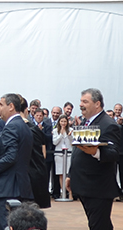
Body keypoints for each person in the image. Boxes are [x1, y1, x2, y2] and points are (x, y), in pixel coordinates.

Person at [67, 88, 121, 230]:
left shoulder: (109, 125)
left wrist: (96, 152)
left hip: (98, 188)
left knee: (99, 225)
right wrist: (70, 175)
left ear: (97, 104)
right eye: (80, 101)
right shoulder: (86, 122)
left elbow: (114, 153)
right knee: (98, 224)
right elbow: (77, 151)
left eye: (85, 101)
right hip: (85, 185)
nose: (81, 105)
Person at [0, 93, 34, 230]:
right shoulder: (23, 126)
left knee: (6, 226)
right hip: (18, 184)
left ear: (11, 106)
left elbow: (11, 156)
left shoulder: (11, 127)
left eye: (0, 105)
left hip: (9, 189)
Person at [25, 103, 52, 209]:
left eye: (41, 116)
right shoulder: (29, 125)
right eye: (37, 115)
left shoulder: (46, 125)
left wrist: (40, 132)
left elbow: (46, 140)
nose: (39, 117)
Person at [53, 115, 73, 199]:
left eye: (65, 121)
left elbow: (73, 142)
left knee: (69, 174)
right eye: (62, 121)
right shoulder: (55, 131)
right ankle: (63, 192)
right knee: (61, 174)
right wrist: (61, 134)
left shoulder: (71, 130)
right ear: (59, 122)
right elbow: (54, 142)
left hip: (68, 154)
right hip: (59, 154)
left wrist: (69, 135)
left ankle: (70, 192)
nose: (63, 123)